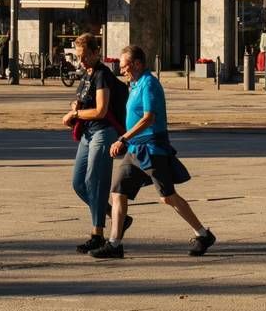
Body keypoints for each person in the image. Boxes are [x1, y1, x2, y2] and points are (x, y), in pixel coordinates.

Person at [91, 45, 215, 260]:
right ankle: (114, 243)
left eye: (124, 66)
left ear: (137, 64)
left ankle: (203, 234)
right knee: (118, 191)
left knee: (168, 197)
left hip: (152, 149)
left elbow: (149, 118)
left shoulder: (149, 84)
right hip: (135, 150)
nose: (122, 71)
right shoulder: (136, 84)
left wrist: (123, 138)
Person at [64, 33, 126, 253]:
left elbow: (101, 110)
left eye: (84, 56)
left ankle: (97, 234)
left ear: (95, 52)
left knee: (94, 180)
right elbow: (84, 101)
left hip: (103, 133)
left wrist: (77, 113)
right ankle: (115, 215)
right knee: (78, 183)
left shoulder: (102, 75)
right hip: (87, 134)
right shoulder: (87, 74)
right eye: (78, 57)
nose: (81, 61)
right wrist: (75, 108)